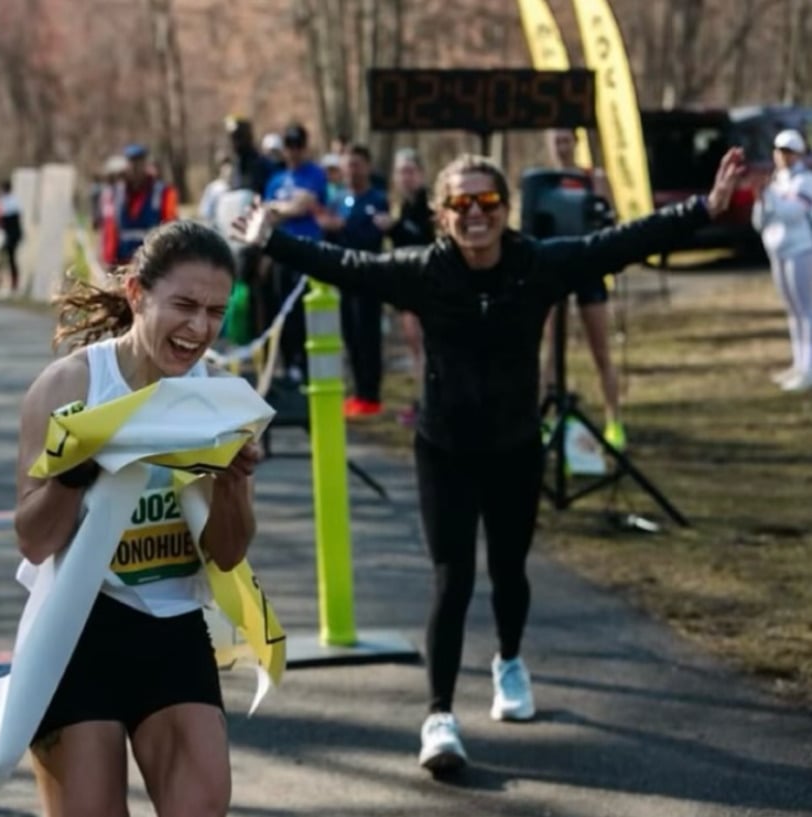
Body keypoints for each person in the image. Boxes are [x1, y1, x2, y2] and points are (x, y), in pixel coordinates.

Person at [232, 147, 746, 774]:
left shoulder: (539, 265)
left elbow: (620, 244)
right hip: (444, 448)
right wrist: (272, 241)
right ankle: (439, 716)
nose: (476, 215)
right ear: (441, 214)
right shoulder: (424, 270)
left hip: (514, 448)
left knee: (509, 571)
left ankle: (508, 662)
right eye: (461, 204)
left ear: (506, 209)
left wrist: (703, 208)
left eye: (488, 203)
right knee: (452, 579)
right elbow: (348, 265)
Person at [14, 220, 261, 816]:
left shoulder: (218, 396)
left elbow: (226, 555)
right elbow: (33, 541)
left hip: (171, 626)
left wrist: (231, 487)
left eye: (215, 311)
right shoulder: (70, 385)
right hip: (76, 630)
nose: (199, 328)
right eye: (183, 306)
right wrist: (74, 468)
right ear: (137, 296)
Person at [540, 127, 626, 449]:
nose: (562, 147)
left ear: (576, 143)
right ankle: (544, 420)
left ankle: (614, 422)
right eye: (556, 141)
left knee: (601, 350)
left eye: (566, 140)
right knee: (550, 351)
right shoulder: (543, 181)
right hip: (554, 268)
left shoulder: (594, 178)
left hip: (588, 267)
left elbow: (610, 219)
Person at [316, 144, 391, 418]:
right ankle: (359, 392)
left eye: (356, 164)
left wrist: (344, 228)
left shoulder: (377, 199)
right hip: (345, 277)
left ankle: (371, 394)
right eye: (348, 165)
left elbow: (371, 236)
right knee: (350, 335)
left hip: (369, 276)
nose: (351, 170)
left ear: (367, 166)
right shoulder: (340, 200)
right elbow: (331, 234)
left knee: (367, 335)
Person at [262, 122, 329, 382]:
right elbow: (267, 214)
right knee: (283, 310)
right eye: (289, 146)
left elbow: (304, 206)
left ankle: (307, 362)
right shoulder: (276, 179)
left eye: (298, 145)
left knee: (305, 310)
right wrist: (285, 207)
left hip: (307, 251)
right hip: (280, 252)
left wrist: (281, 208)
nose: (293, 151)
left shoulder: (315, 174)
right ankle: (289, 363)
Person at [752, 128, 812, 392]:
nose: (781, 156)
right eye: (778, 150)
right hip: (777, 251)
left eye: (787, 151)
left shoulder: (806, 181)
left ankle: (809, 368)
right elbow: (760, 220)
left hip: (802, 249)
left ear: (798, 154)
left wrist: (769, 196)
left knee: (806, 310)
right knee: (792, 311)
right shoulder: (776, 182)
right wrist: (762, 200)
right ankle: (798, 364)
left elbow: (792, 213)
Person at [389, 148, 435, 427]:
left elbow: (422, 240)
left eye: (410, 171)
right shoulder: (403, 205)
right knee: (414, 346)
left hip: (424, 283)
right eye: (401, 172)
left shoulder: (427, 205)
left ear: (420, 173)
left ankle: (428, 404)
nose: (405, 178)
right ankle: (422, 402)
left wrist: (394, 228)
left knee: (425, 346)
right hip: (404, 281)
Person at [101, 144, 179, 267]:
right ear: (126, 165)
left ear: (146, 165)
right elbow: (109, 228)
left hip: (152, 262)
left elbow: (171, 226)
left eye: (140, 163)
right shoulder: (115, 193)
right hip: (121, 262)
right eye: (132, 163)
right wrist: (109, 260)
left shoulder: (162, 192)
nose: (136, 169)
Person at [0, 180, 23, 295]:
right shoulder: (15, 201)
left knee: (5, 258)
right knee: (11, 259)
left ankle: (6, 282)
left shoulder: (3, 202)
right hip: (14, 233)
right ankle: (11, 283)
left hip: (7, 233)